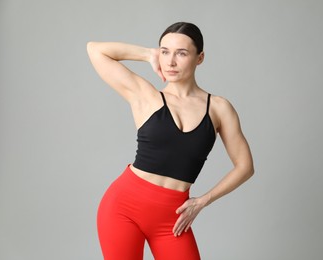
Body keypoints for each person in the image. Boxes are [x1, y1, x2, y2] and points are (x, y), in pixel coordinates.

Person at [87, 22, 254, 260]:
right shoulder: (146, 96)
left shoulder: (219, 108)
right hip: (123, 208)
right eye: (165, 51)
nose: (171, 61)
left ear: (200, 58)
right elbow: (95, 50)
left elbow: (245, 166)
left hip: (173, 218)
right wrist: (148, 54)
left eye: (181, 53)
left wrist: (203, 201)